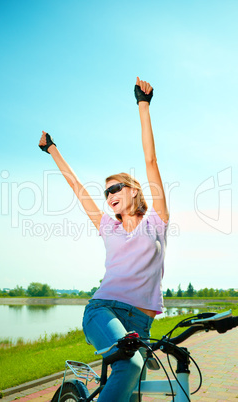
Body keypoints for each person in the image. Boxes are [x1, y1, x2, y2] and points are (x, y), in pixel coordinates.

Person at [38, 77, 169, 402]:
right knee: (130, 367)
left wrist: (143, 104)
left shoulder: (157, 221)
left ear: (134, 191)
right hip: (104, 310)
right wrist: (52, 149)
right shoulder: (106, 226)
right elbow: (76, 187)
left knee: (133, 390)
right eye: (106, 191)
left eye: (115, 188)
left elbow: (151, 162)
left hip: (142, 321)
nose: (108, 194)